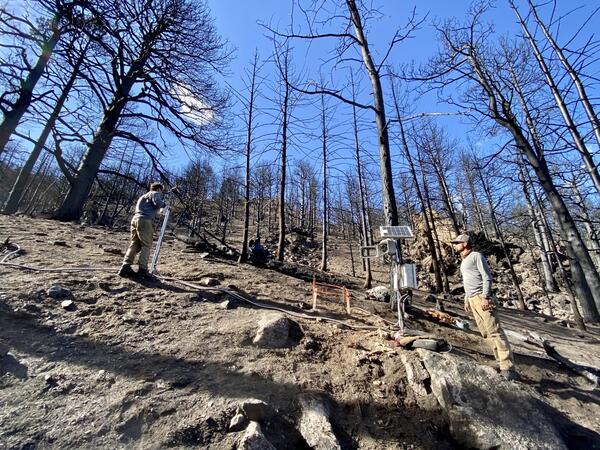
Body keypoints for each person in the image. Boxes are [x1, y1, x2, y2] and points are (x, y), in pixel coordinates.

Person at [451, 233, 517, 381]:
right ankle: (499, 361)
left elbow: (487, 276)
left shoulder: (476, 256)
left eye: (457, 243)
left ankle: (508, 367)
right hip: (473, 299)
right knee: (485, 332)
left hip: (482, 298)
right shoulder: (464, 261)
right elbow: (468, 281)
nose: (455, 245)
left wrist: (486, 297)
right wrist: (467, 299)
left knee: (495, 331)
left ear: (465, 244)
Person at [119, 182, 167, 279]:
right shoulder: (155, 193)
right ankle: (142, 270)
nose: (161, 193)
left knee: (135, 243)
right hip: (145, 221)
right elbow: (158, 202)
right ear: (158, 189)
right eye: (161, 191)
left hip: (135, 219)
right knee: (146, 245)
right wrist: (165, 205)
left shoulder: (143, 197)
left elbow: (151, 208)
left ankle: (125, 266)